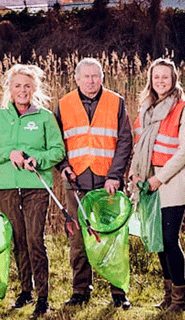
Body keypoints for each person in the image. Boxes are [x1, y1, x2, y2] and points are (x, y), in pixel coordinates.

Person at [0, 64, 65, 317]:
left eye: (27, 86)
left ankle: (43, 296)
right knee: (18, 240)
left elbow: (58, 151)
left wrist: (37, 159)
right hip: (6, 187)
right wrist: (10, 153)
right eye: (17, 85)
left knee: (34, 239)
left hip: (36, 187)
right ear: (9, 88)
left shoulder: (45, 117)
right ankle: (24, 291)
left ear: (35, 89)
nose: (22, 90)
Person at [54, 58, 133, 310]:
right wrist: (63, 166)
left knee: (112, 238)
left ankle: (118, 292)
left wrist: (115, 176)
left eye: (95, 76)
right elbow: (56, 144)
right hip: (75, 182)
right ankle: (80, 291)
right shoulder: (64, 104)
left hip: (107, 183)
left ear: (102, 77)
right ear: (76, 79)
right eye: (86, 76)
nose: (91, 81)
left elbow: (124, 141)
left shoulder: (116, 102)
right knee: (78, 239)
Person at [129, 58, 185, 313]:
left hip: (171, 181)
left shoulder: (184, 110)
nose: (160, 81)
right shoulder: (145, 109)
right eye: (156, 77)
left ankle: (180, 299)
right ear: (150, 80)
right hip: (148, 180)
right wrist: (136, 176)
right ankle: (168, 295)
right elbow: (139, 148)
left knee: (170, 239)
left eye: (165, 77)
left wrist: (159, 179)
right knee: (158, 239)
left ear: (173, 80)